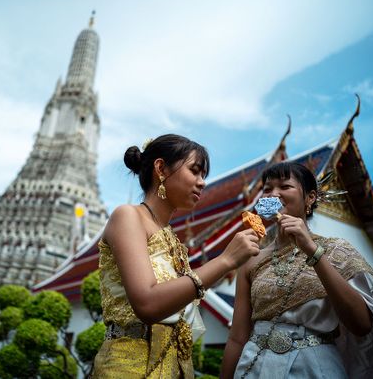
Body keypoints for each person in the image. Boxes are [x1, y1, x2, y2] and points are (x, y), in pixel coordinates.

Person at [92, 134, 261, 378]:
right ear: (161, 168)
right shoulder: (127, 216)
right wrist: (225, 261)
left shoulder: (173, 239)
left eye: (204, 175)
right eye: (194, 171)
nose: (202, 182)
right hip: (128, 367)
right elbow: (147, 304)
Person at [221, 162, 373, 378]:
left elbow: (361, 324)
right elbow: (237, 337)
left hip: (315, 367)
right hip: (256, 366)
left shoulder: (337, 250)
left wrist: (312, 250)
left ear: (310, 198)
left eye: (285, 186)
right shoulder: (252, 259)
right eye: (267, 189)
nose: (274, 194)